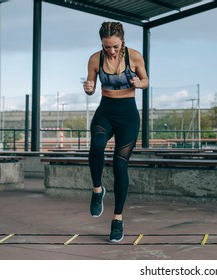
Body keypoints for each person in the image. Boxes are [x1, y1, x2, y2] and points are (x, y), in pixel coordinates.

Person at [82, 21, 148, 243]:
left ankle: (117, 219)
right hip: (106, 111)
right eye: (106, 46)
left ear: (122, 41)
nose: (111, 50)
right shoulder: (95, 59)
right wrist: (89, 89)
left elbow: (146, 80)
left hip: (128, 115)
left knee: (120, 164)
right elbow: (91, 86)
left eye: (115, 46)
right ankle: (98, 189)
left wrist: (140, 83)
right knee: (97, 146)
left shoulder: (135, 57)